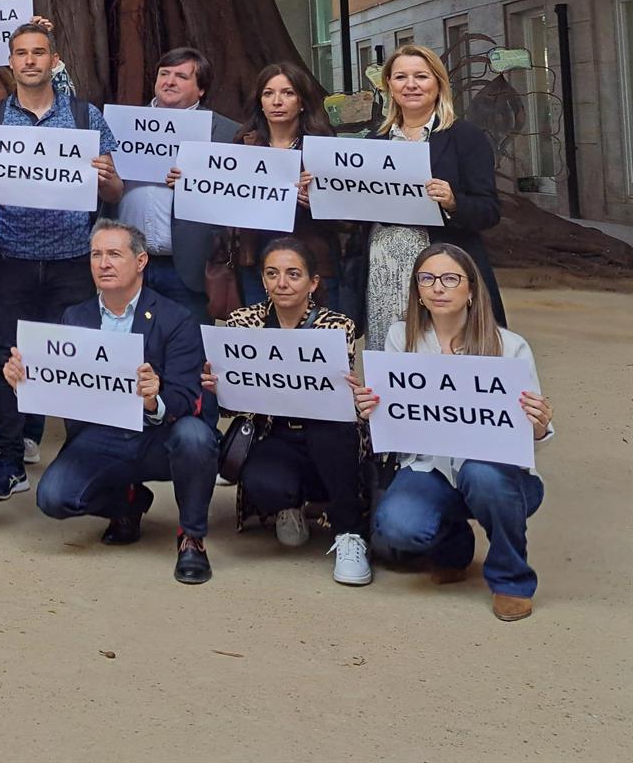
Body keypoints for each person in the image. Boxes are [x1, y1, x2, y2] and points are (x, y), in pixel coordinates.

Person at [9, 220, 218, 583]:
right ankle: (129, 503)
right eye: (96, 254)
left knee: (196, 438)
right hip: (101, 435)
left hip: (159, 434)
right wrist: (24, 382)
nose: (103, 263)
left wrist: (155, 400)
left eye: (114, 254)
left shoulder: (176, 318)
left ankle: (191, 539)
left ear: (140, 262)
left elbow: (187, 394)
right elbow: (61, 386)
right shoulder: (76, 317)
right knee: (54, 499)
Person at [354, 243, 554, 620]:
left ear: (472, 290)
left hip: (498, 476)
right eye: (427, 279)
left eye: (450, 278)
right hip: (429, 468)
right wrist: (369, 410)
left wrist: (539, 425)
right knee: (397, 527)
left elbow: (532, 437)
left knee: (482, 475)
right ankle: (453, 543)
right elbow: (396, 417)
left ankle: (511, 580)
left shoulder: (508, 347)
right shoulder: (401, 339)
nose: (438, 288)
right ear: (417, 291)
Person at [0, 21, 122, 503]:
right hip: (11, 258)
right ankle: (11, 461)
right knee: (8, 360)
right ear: (11, 61)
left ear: (52, 59)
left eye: (39, 52)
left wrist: (105, 179)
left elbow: (116, 190)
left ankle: (85, 459)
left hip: (72, 260)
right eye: (22, 53)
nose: (31, 61)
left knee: (79, 361)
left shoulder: (84, 116)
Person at [204, 236, 370, 586]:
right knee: (265, 484)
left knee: (332, 432)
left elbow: (334, 398)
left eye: (293, 274)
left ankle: (348, 532)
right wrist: (219, 386)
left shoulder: (337, 325)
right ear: (262, 280)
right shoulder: (242, 323)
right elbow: (234, 405)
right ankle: (288, 505)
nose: (282, 283)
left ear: (313, 282)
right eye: (272, 274)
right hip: (271, 432)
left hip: (326, 431)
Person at [364, 44, 504, 349]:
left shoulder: (465, 136)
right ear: (388, 84)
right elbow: (357, 208)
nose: (410, 85)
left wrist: (454, 202)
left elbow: (489, 210)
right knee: (390, 356)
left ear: (438, 83)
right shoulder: (374, 140)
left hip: (443, 270)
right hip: (383, 273)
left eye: (421, 76)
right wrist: (323, 191)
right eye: (400, 76)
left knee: (446, 354)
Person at [115, 48, 239, 326]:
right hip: (130, 265)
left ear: (201, 89)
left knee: (190, 356)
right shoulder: (123, 126)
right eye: (164, 74)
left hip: (190, 268)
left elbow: (237, 200)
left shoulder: (227, 133)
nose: (169, 81)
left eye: (181, 76)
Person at [230, 61, 343, 312]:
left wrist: (320, 202)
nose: (277, 101)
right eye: (268, 93)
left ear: (302, 101)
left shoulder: (324, 147)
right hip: (257, 264)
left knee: (320, 342)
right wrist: (188, 184)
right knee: (264, 342)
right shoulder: (242, 145)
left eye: (287, 93)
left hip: (314, 262)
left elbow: (348, 216)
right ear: (260, 101)